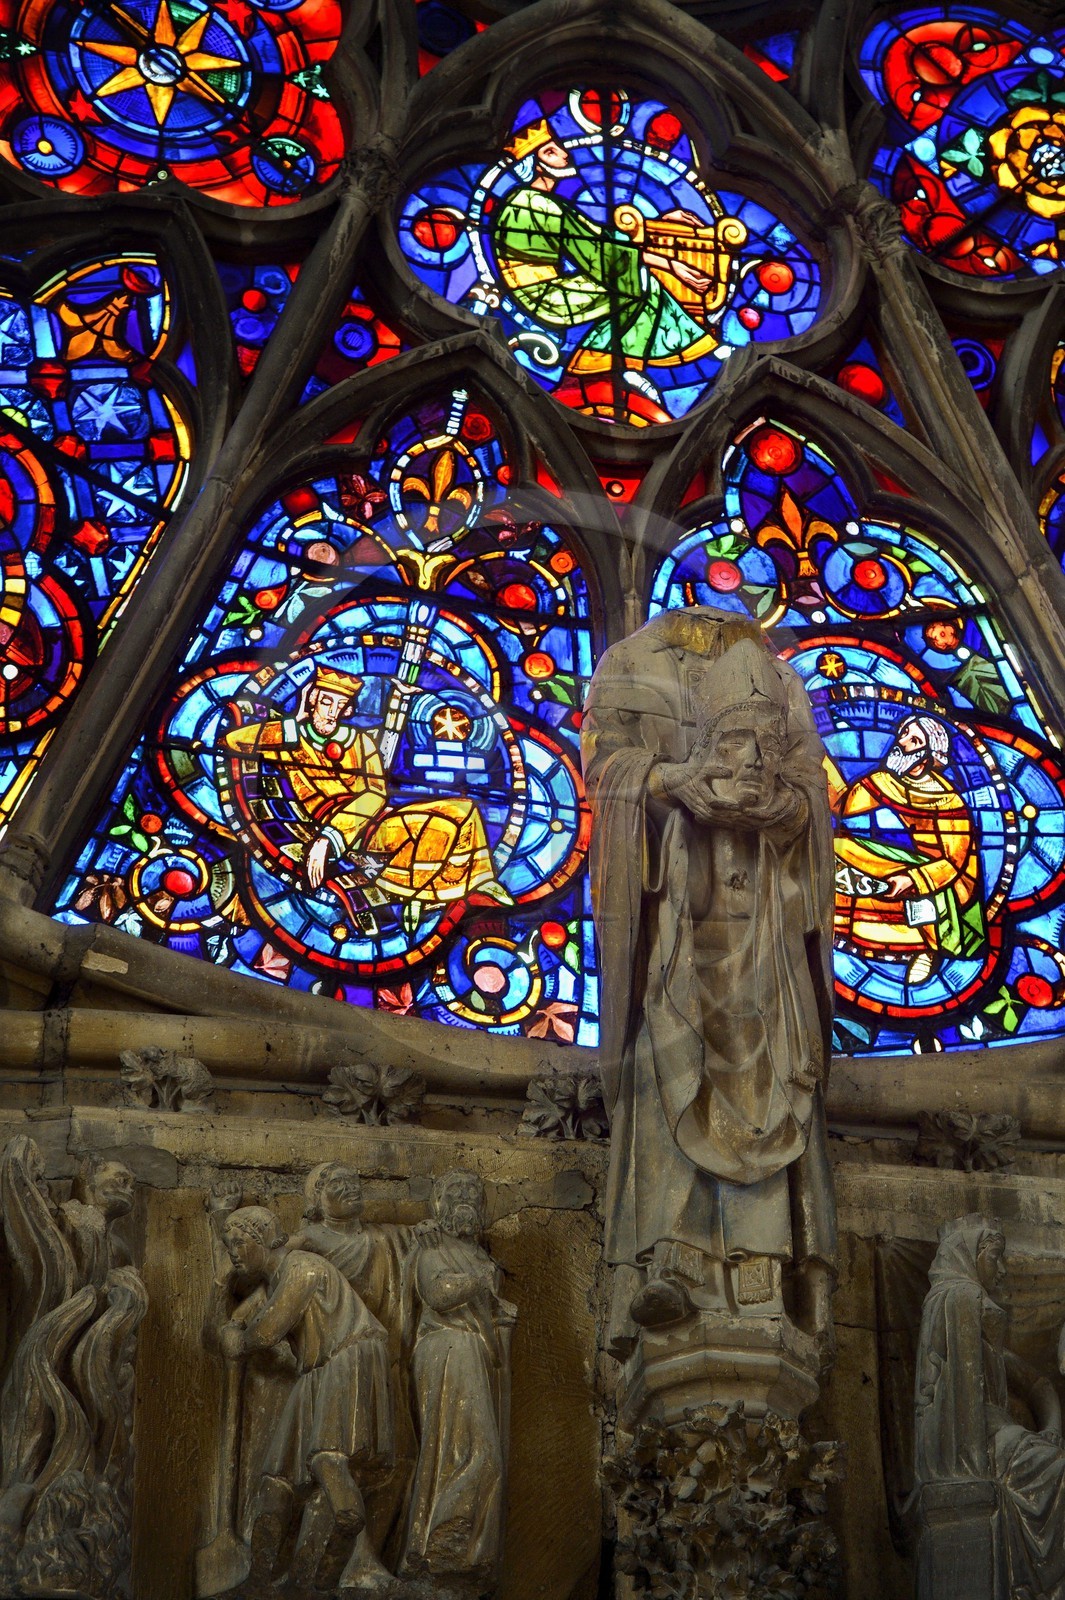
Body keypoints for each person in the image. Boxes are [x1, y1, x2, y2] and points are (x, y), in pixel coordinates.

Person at [580, 607, 836, 1356]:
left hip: (767, 933)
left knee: (771, 1079)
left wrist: (782, 808)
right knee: (671, 1064)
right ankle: (674, 1259)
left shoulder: (781, 683)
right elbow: (608, 771)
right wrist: (671, 781)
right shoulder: (630, 664)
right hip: (677, 922)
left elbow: (809, 795)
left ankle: (762, 1268)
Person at [491, 118, 739, 421]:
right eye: (550, 152)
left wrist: (652, 227)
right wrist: (669, 263)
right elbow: (599, 252)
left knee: (634, 280)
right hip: (544, 293)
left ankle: (610, 364)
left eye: (558, 148)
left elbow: (602, 239)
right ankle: (635, 362)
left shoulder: (542, 201)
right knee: (637, 284)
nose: (564, 154)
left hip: (551, 286)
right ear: (534, 165)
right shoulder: (534, 203)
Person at [222, 661, 511, 907]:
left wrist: (330, 838)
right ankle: (405, 888)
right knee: (440, 827)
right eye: (326, 702)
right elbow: (233, 742)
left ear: (348, 710)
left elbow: (376, 792)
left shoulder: (360, 741)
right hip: (352, 831)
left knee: (464, 807)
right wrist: (296, 720)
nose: (332, 712)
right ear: (311, 700)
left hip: (373, 819)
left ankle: (479, 878)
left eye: (340, 705)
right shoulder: (290, 741)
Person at [218, 1205, 393, 1592]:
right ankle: (258, 1583)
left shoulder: (303, 1268)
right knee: (277, 1477)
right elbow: (256, 1307)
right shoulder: (277, 1278)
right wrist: (234, 1324)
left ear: (264, 1240)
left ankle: (329, 1559)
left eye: (239, 1243)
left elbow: (268, 1330)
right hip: (316, 1371)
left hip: (347, 1359)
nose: (233, 1253)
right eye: (228, 1246)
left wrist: (240, 1342)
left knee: (327, 1462)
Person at [914, 1215, 1065, 1598]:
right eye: (995, 1257)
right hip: (986, 1448)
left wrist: (1051, 1427)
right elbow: (962, 1411)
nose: (1001, 1271)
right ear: (970, 1254)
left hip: (1000, 1442)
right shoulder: (962, 1298)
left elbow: (1037, 1382)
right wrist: (974, 1465)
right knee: (1059, 1472)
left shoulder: (956, 1304)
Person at [401, 1170, 515, 1591]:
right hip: (449, 1347)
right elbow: (438, 1293)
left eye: (473, 1191)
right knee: (470, 1449)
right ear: (439, 1205)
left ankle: (462, 1549)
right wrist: (480, 1281)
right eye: (455, 1191)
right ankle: (441, 1538)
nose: (465, 1196)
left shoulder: (482, 1257)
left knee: (474, 1449)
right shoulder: (432, 1245)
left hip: (476, 1352)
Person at [829, 712, 983, 987]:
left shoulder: (947, 800)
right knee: (835, 845)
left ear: (928, 755)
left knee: (894, 890)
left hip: (945, 881)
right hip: (903, 862)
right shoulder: (888, 781)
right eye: (904, 734)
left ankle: (928, 948)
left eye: (915, 740)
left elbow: (954, 862)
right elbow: (844, 807)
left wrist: (912, 879)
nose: (903, 742)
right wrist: (821, 763)